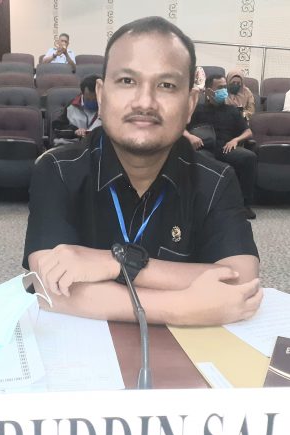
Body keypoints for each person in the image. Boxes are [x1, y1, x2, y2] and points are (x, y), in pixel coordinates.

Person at [23, 16, 262, 326]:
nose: (145, 102)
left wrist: (115, 263)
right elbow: (46, 286)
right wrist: (179, 306)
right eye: (127, 81)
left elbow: (240, 282)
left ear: (190, 104)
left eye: (166, 85)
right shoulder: (57, 169)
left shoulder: (216, 180)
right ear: (102, 94)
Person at [184, 74, 257, 219]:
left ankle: (244, 205)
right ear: (209, 91)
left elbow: (248, 132)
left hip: (226, 148)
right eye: (220, 87)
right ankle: (197, 205)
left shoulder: (232, 110)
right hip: (204, 148)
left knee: (249, 157)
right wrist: (190, 137)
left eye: (225, 87)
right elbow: (179, 128)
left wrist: (236, 140)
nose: (224, 90)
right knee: (198, 158)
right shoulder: (198, 110)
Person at [52, 74, 102, 146]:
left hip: (98, 145)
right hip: (73, 144)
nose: (92, 102)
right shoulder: (72, 106)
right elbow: (57, 128)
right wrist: (74, 131)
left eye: (95, 99)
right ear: (82, 93)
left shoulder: (109, 108)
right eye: (88, 99)